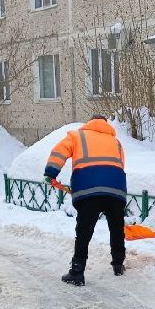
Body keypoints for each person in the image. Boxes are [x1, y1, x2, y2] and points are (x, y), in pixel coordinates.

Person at [44, 116, 127, 286]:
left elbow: (59, 152)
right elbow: (121, 165)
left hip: (89, 191)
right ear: (106, 125)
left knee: (84, 232)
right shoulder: (116, 142)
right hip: (115, 190)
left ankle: (77, 272)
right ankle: (118, 265)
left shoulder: (77, 136)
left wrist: (51, 173)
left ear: (89, 123)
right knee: (116, 228)